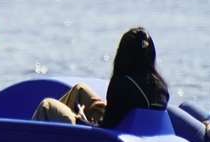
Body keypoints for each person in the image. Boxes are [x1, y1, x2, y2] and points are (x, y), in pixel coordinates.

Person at [34, 27, 168, 128]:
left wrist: (81, 119)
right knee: (79, 90)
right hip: (130, 128)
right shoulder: (161, 87)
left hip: (109, 139)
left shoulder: (123, 84)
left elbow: (106, 128)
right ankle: (55, 129)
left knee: (47, 105)